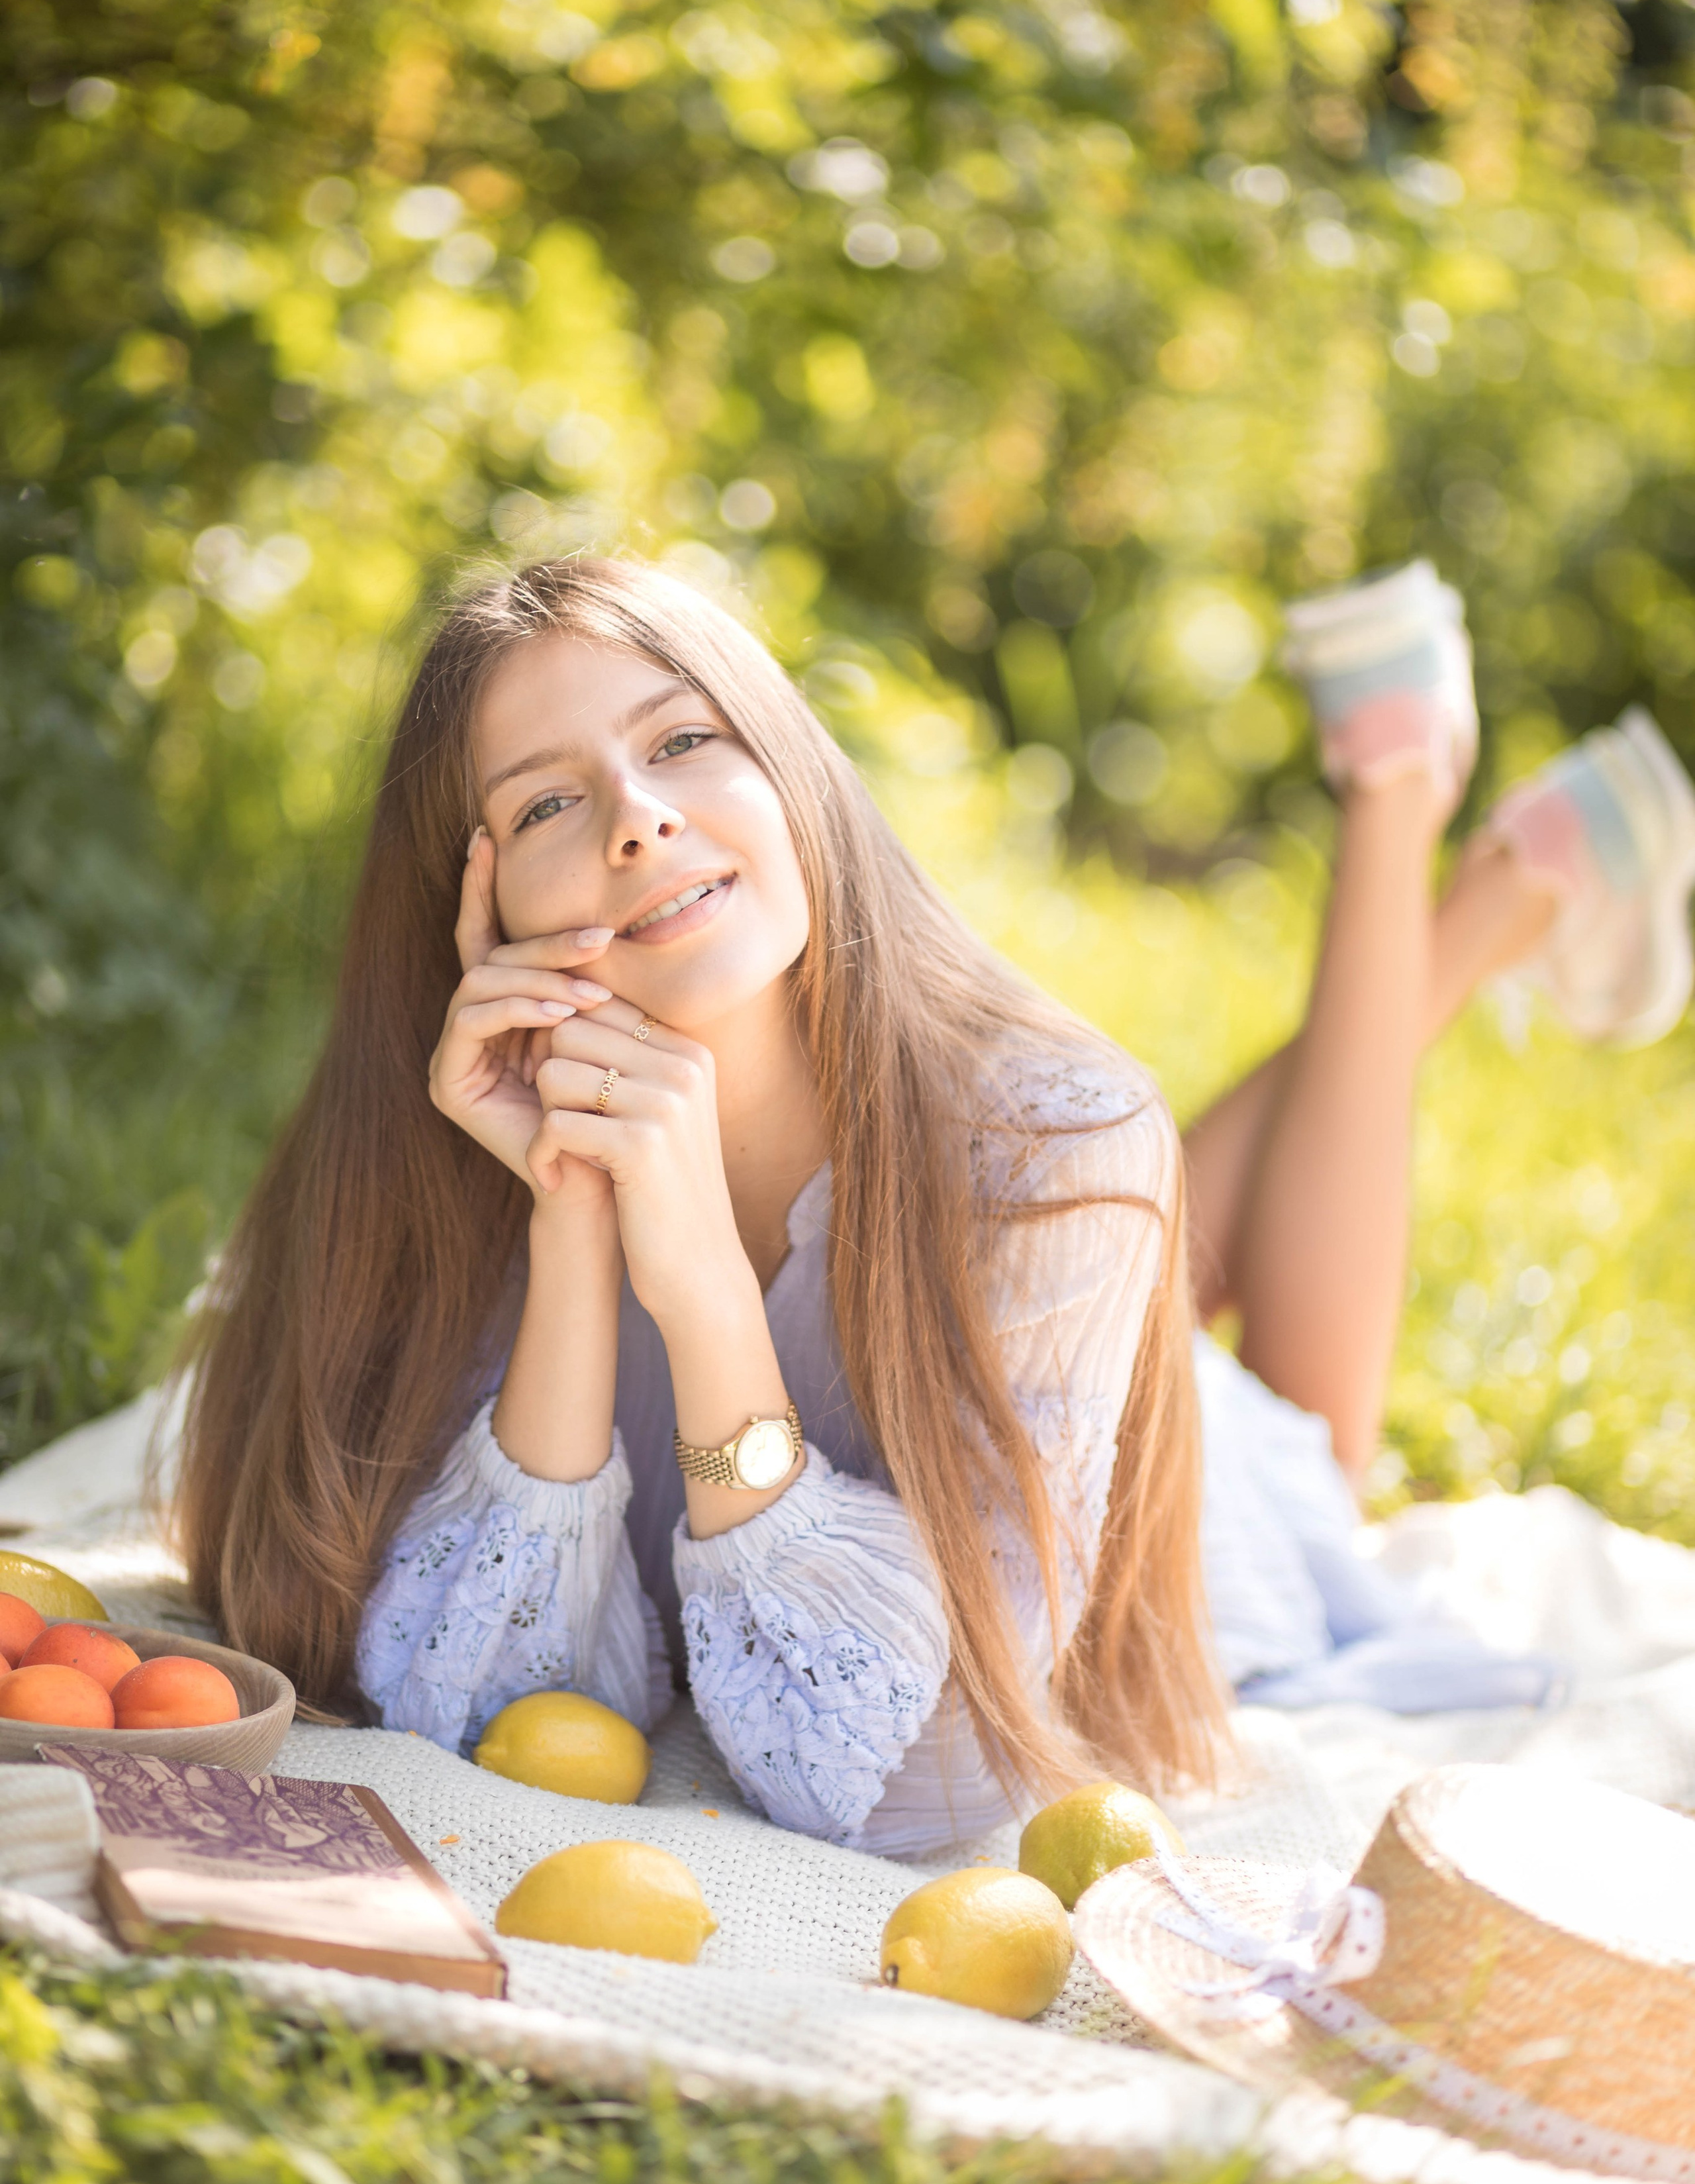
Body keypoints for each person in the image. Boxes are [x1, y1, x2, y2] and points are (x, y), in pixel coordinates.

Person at [173, 555, 1695, 1851]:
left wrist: (700, 1277)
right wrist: (574, 1216)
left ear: (790, 770)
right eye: (550, 804)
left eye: (687, 741)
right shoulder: (463, 1154)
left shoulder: (1054, 1132)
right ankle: (1483, 846)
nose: (636, 819)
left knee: (1294, 1417)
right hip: (1019, 1266)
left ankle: (1412, 805)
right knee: (1122, 1192)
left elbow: (927, 1786)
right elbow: (499, 1721)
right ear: (474, 906)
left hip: (1162, 1505)